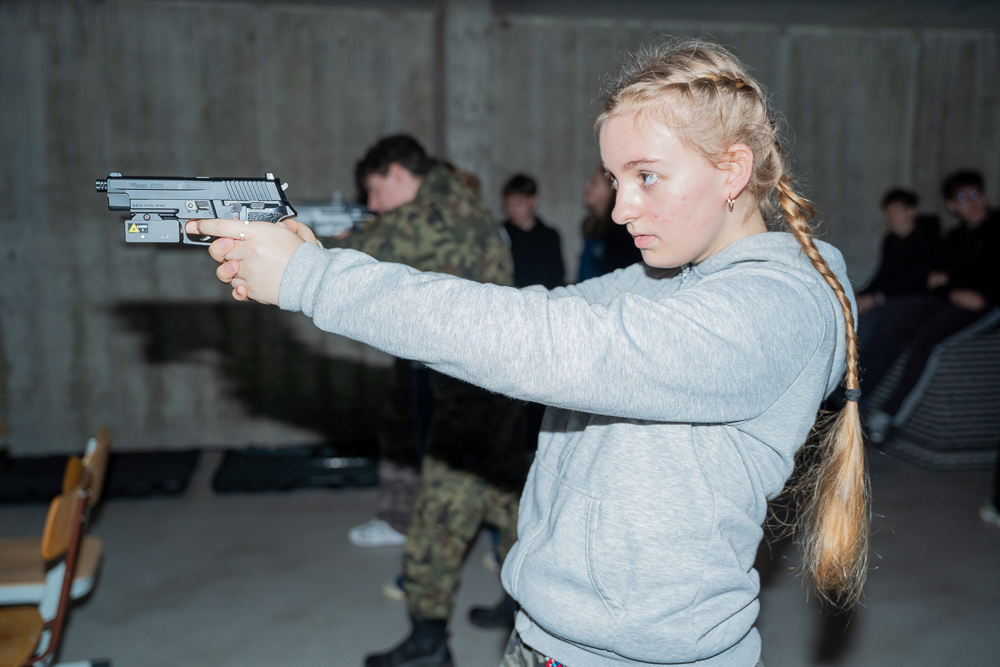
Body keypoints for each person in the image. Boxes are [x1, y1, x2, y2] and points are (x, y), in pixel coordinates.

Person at [190, 40, 869, 667]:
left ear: (733, 170)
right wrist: (317, 258)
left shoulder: (773, 310)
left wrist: (314, 280)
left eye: (646, 176)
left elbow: (543, 342)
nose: (622, 208)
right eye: (615, 179)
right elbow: (526, 314)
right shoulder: (663, 280)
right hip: (543, 639)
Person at [320, 135, 529, 665]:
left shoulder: (435, 214)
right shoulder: (457, 202)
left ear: (396, 172)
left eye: (375, 191)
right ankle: (524, 605)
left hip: (473, 399)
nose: (373, 205)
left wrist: (296, 242)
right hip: (500, 390)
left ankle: (428, 642)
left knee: (437, 517)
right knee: (509, 503)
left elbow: (356, 255)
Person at [865, 170, 1000, 442]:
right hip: (952, 299)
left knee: (929, 338)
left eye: (975, 194)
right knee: (897, 322)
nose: (972, 201)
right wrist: (951, 290)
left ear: (985, 196)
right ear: (952, 206)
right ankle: (854, 397)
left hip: (987, 303)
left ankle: (889, 415)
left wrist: (980, 296)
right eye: (962, 197)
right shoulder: (955, 237)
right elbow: (935, 279)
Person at [855, 188, 941, 394]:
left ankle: (857, 390)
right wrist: (861, 294)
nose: (890, 218)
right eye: (888, 213)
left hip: (916, 301)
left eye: (896, 212)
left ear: (911, 212)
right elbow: (882, 276)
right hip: (891, 298)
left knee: (872, 323)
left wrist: (875, 299)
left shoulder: (926, 240)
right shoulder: (891, 240)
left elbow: (916, 283)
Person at [501, 174, 565, 289]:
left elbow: (557, 277)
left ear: (533, 201)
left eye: (518, 203)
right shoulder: (501, 233)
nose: (512, 209)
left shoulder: (550, 236)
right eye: (508, 205)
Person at [577, 168, 642, 281]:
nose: (587, 187)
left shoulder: (623, 233)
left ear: (611, 190)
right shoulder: (591, 226)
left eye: (594, 183)